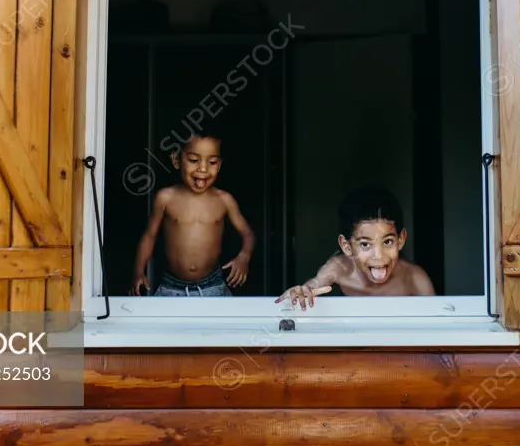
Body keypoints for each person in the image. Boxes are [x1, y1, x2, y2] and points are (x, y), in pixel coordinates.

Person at [129, 125, 255, 297]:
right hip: (171, 287)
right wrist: (138, 271)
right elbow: (149, 236)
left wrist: (244, 257)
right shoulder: (166, 198)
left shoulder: (224, 200)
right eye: (194, 160)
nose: (203, 168)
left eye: (212, 162)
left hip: (214, 285)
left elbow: (247, 233)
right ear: (176, 160)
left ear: (219, 165)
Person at [276, 185, 435, 310]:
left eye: (387, 242)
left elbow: (436, 324)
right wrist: (301, 292)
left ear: (401, 240)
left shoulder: (415, 279)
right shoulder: (339, 269)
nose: (378, 256)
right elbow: (313, 285)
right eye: (365, 244)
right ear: (347, 246)